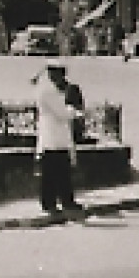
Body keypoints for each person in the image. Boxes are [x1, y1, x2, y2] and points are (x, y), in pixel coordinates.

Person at [35, 62, 82, 215]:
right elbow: (63, 113)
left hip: (58, 136)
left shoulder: (51, 90)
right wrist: (73, 111)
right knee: (51, 172)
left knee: (63, 170)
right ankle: (50, 203)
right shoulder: (48, 92)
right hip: (52, 136)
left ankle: (65, 200)